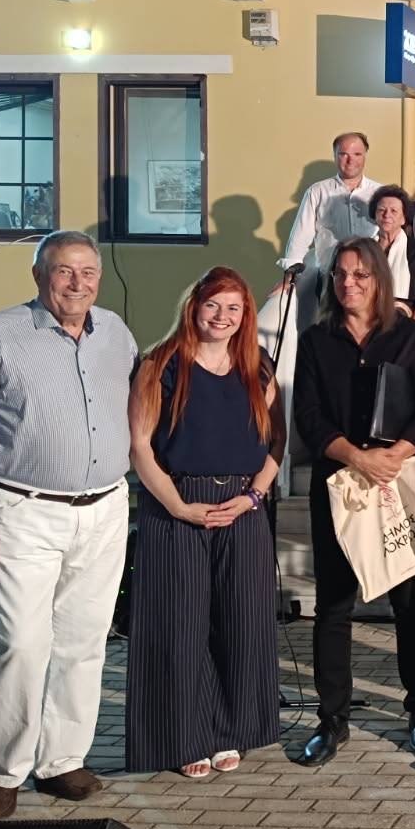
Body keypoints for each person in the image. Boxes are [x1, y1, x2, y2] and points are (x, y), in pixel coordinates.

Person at [0, 232, 137, 819]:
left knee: (84, 642)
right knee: (24, 645)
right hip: (24, 511)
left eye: (88, 271)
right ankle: (3, 771)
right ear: (38, 275)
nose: (77, 283)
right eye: (63, 271)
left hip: (104, 509)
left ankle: (61, 762)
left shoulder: (116, 334)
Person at [291, 237, 415, 767]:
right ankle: (332, 719)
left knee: (410, 602)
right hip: (339, 484)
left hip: (395, 483)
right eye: (340, 274)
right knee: (333, 605)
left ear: (379, 278)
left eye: (360, 274)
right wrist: (357, 457)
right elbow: (308, 415)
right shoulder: (316, 341)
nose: (349, 283)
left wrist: (396, 454)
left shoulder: (411, 337)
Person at [125, 267, 284, 778]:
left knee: (241, 624)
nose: (222, 316)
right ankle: (185, 736)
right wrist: (177, 506)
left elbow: (276, 443)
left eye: (233, 308)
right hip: (177, 504)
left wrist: (253, 496)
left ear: (245, 315)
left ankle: (228, 730)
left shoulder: (258, 367)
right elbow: (140, 446)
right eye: (213, 305)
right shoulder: (160, 364)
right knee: (180, 626)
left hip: (242, 505)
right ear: (194, 306)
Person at [274, 131, 381, 310]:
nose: (350, 160)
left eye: (357, 154)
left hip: (372, 275)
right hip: (330, 277)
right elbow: (301, 236)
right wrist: (290, 275)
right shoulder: (317, 192)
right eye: (343, 154)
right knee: (331, 322)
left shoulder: (380, 192)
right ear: (335, 156)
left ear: (365, 156)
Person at [371, 185, 415, 325]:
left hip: (408, 323)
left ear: (404, 218)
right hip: (369, 322)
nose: (387, 215)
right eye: (381, 210)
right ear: (374, 215)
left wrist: (413, 331)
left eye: (394, 211)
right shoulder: (365, 249)